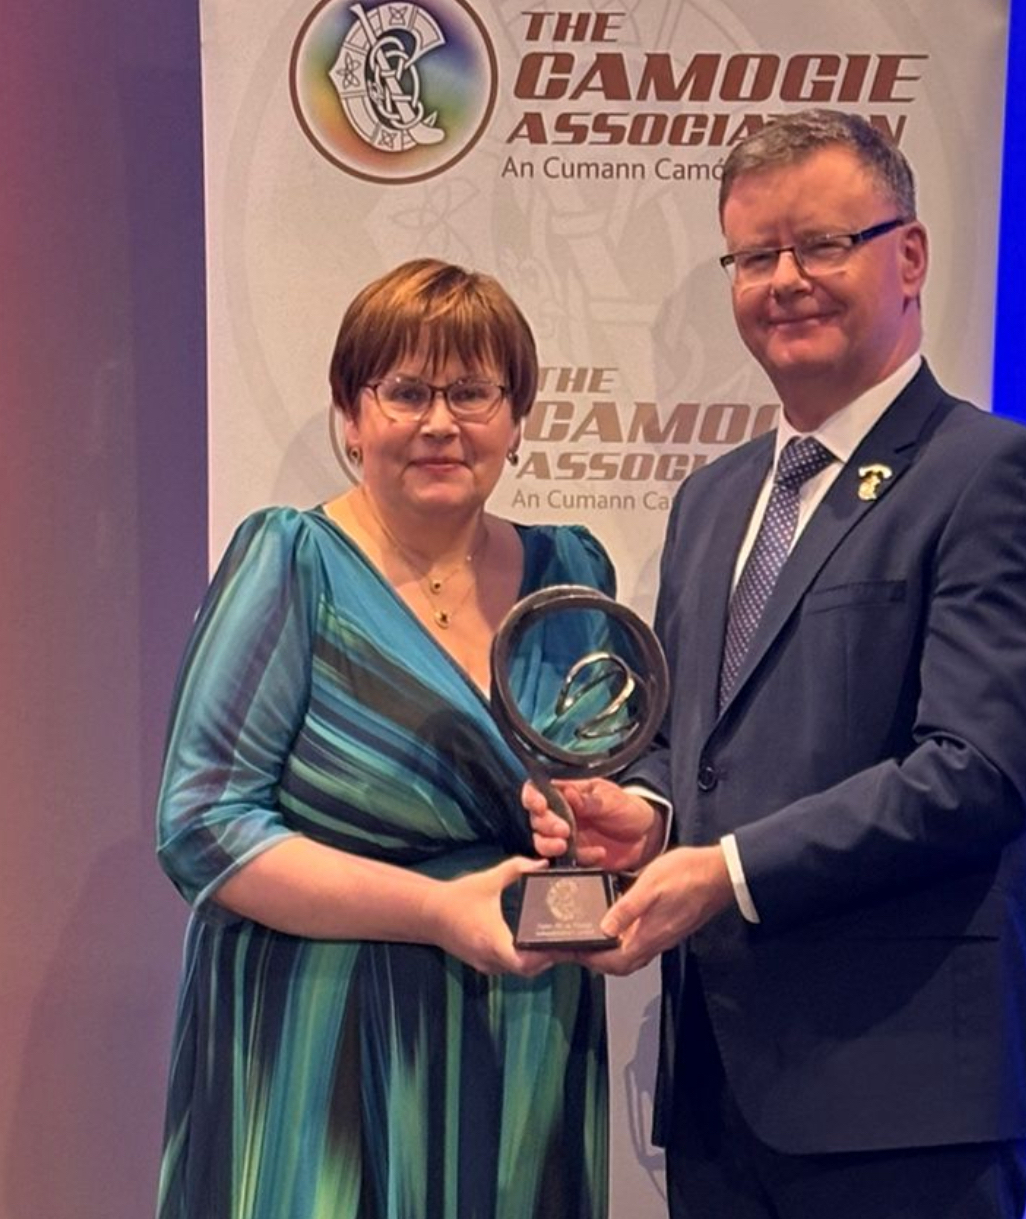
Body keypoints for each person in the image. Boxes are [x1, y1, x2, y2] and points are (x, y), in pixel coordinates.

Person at [526, 109, 1026, 1218]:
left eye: (823, 244)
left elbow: (977, 771)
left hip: (903, 1105)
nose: (784, 280)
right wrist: (646, 816)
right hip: (719, 1098)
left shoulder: (997, 475)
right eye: (755, 256)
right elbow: (691, 744)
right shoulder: (711, 499)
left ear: (909, 256)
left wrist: (725, 869)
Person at [155, 258, 613, 1219]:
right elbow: (202, 824)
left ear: (518, 417)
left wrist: (598, 821)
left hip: (522, 1035)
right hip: (318, 1041)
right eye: (405, 391)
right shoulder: (291, 560)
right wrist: (436, 911)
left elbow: (609, 782)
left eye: (473, 391)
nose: (440, 423)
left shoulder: (572, 571)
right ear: (351, 415)